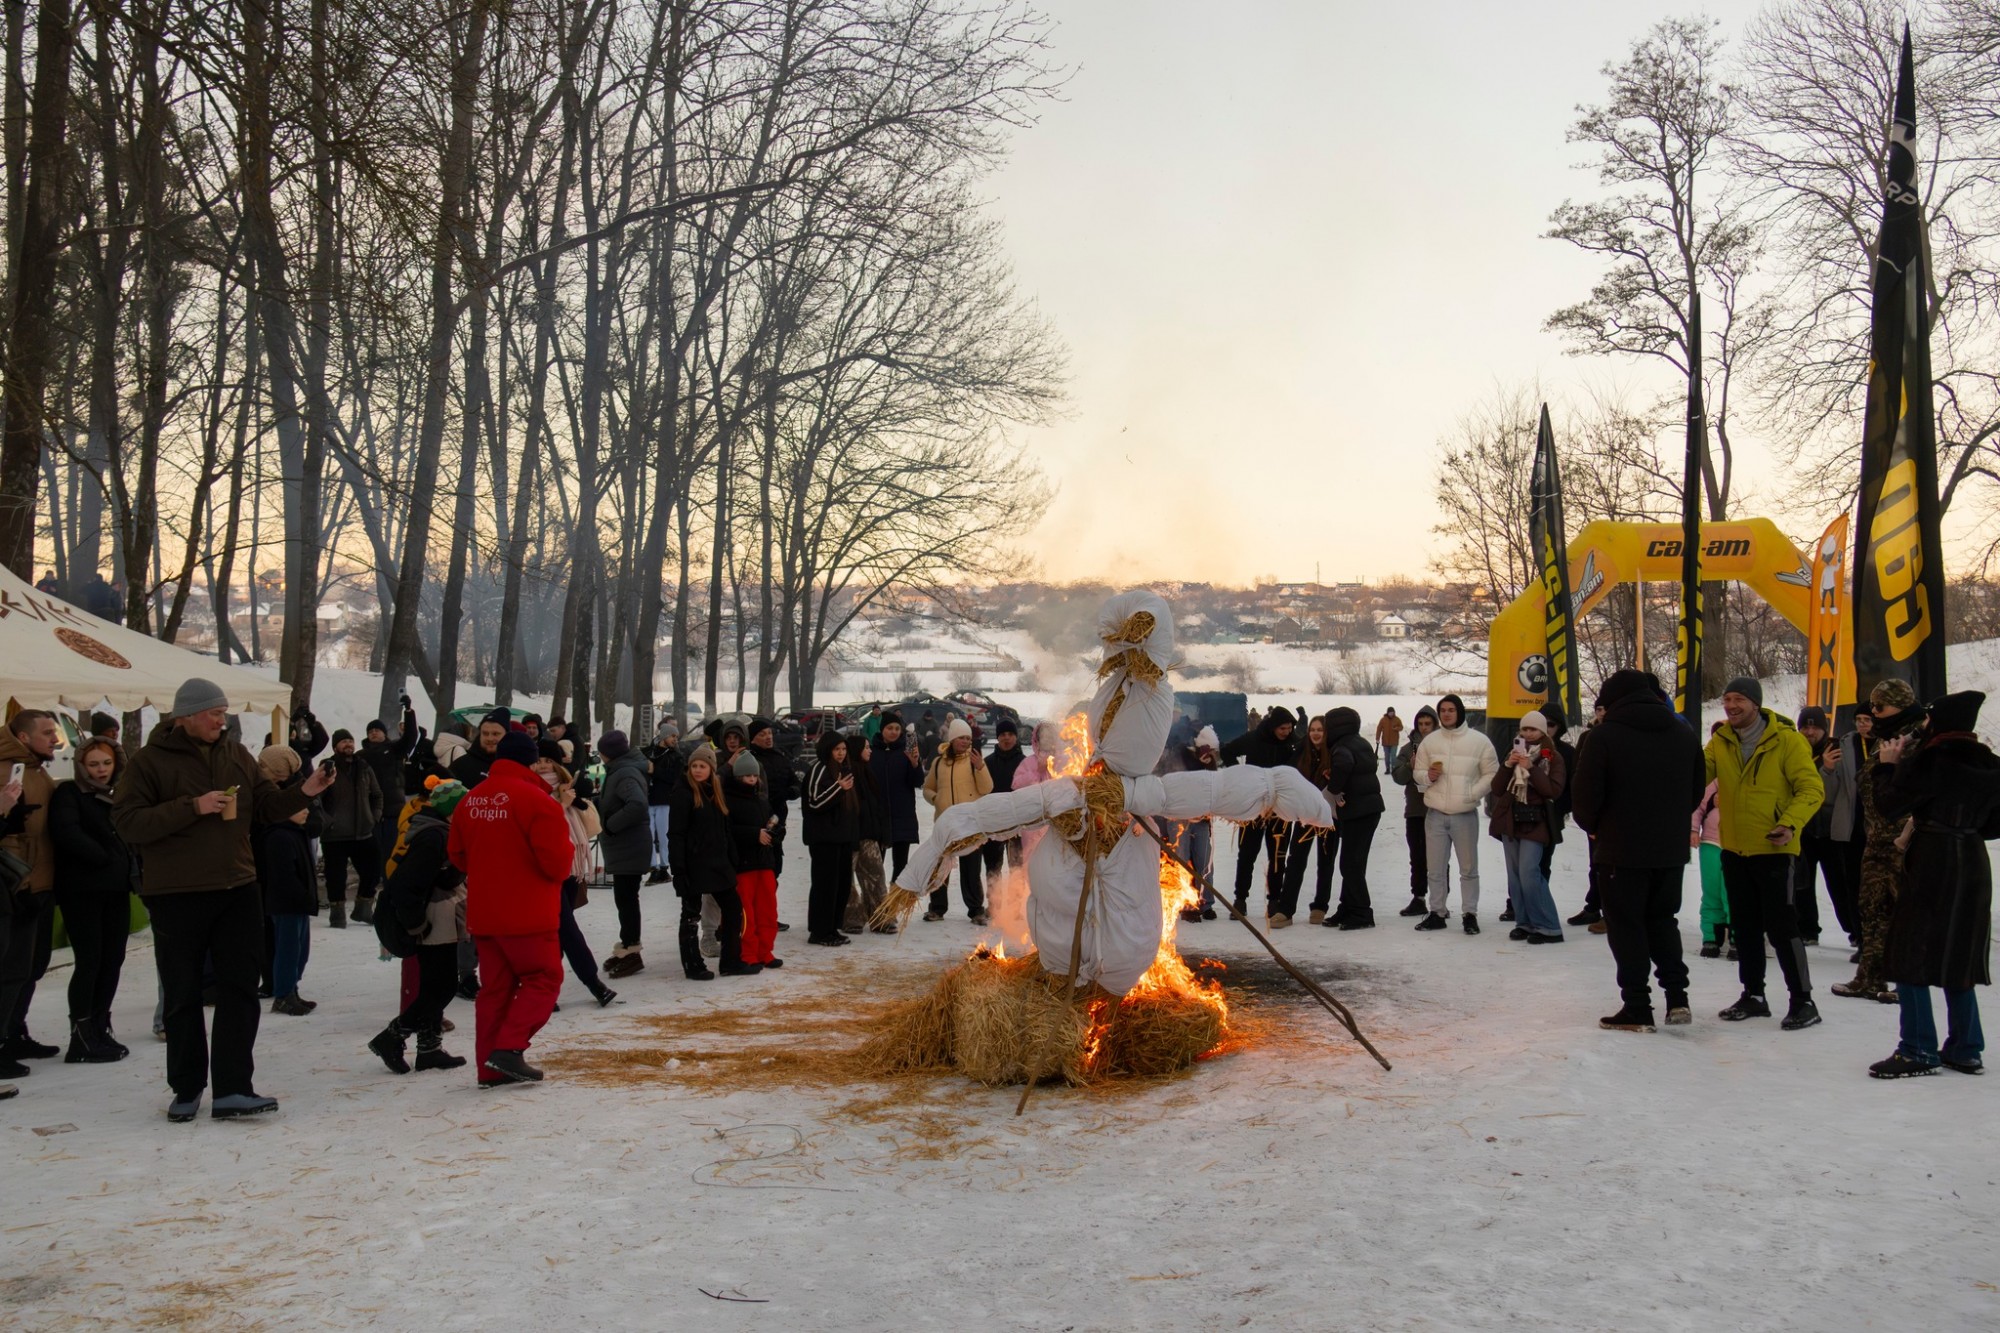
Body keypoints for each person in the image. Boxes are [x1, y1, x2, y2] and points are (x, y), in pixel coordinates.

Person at [112, 678, 331, 1120]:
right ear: (187, 715)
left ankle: (233, 1087)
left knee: (239, 989)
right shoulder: (148, 762)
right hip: (176, 892)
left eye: (223, 712)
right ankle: (187, 1088)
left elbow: (266, 806)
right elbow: (128, 823)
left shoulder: (236, 754)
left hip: (237, 887)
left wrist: (304, 792)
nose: (222, 719)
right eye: (214, 712)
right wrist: (193, 807)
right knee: (182, 993)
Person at [1866, 690, 1998, 1078]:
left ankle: (1917, 1048)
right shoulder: (1992, 764)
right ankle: (1965, 1047)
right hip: (1972, 859)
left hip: (1933, 859)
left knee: (1909, 951)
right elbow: (1995, 824)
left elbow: (1889, 805)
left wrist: (1888, 766)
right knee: (1959, 952)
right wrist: (1966, 825)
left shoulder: (1932, 759)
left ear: (1939, 721)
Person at [1571, 669, 1705, 1032]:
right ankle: (1677, 998)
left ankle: (1637, 1005)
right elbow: (1695, 791)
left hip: (1619, 850)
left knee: (1626, 926)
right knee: (1663, 921)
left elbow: (1583, 799)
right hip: (1669, 851)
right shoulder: (1683, 733)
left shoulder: (1604, 736)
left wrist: (1596, 828)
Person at [448, 729, 573, 1087]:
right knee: (543, 978)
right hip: (529, 912)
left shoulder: (471, 799)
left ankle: (489, 1067)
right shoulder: (537, 801)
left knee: (495, 989)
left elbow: (456, 854)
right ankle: (509, 1047)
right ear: (532, 760)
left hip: (486, 912)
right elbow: (557, 865)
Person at [1704, 677, 1825, 1030]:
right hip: (1734, 849)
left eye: (1738, 699)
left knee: (1782, 926)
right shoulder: (1721, 741)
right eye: (1726, 700)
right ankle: (1753, 995)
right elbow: (1698, 774)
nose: (1730, 706)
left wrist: (1789, 823)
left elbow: (1811, 789)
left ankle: (1804, 1000)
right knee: (1744, 926)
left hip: (1774, 848)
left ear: (1755, 703)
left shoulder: (1787, 741)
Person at [366, 779, 471, 1074]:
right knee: (442, 987)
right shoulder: (433, 836)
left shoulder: (433, 829)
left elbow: (438, 877)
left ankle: (429, 1048)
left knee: (434, 985)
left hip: (434, 914)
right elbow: (408, 884)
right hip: (431, 918)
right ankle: (392, 1036)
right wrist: (415, 924)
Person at [1833, 679, 1926, 1004]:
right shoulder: (1886, 736)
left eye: (1880, 707)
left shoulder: (1918, 738)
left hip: (1904, 841)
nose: (1873, 713)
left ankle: (1906, 983)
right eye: (1872, 706)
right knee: (1871, 907)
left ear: (1899, 705)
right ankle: (1870, 978)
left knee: (1904, 913)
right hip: (1876, 838)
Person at [49, 736, 138, 1060]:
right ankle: (82, 1034)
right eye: (93, 764)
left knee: (113, 959)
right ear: (81, 766)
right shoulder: (69, 793)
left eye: (106, 763)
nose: (100, 771)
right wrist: (103, 857)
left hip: (115, 888)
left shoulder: (119, 795)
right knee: (91, 960)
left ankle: (100, 1025)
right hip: (83, 890)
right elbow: (67, 832)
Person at [0, 709, 64, 1073]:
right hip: (15, 888)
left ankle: (14, 1031)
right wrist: (19, 886)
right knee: (10, 970)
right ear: (24, 738)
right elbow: (9, 836)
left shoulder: (35, 768)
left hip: (42, 882)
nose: (55, 739)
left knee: (31, 968)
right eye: (47, 732)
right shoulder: (6, 768)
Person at [530, 743, 617, 1008]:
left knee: (557, 930)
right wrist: (559, 804)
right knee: (567, 929)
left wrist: (573, 799)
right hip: (547, 869)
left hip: (571, 866)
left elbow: (587, 821)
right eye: (539, 760)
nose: (544, 765)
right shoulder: (532, 790)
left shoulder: (567, 787)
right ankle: (593, 983)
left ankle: (547, 990)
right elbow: (541, 827)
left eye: (548, 760)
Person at [1412, 693, 1498, 936]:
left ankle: (1470, 914)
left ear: (1459, 712)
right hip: (1436, 813)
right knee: (1435, 868)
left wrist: (1473, 793)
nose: (1447, 714)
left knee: (1468, 868)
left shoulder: (1479, 741)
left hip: (1464, 814)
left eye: (1451, 709)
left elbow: (1492, 773)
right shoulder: (1430, 742)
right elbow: (1417, 772)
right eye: (1443, 710)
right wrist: (1426, 777)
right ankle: (1437, 912)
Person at [667, 744, 749, 975]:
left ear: (711, 769)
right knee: (691, 914)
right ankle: (692, 965)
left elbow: (725, 828)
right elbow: (676, 835)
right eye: (694, 765)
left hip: (717, 864)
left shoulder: (714, 791)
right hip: (694, 864)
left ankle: (731, 961)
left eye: (702, 766)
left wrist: (731, 857)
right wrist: (679, 871)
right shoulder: (683, 793)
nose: (697, 770)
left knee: (733, 909)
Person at [251, 746, 320, 1017]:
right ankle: (283, 991)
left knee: (297, 946)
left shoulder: (292, 820)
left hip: (294, 895)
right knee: (287, 945)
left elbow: (317, 820)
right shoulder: (276, 832)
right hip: (283, 895)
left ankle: (288, 988)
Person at [1487, 711, 1566, 945]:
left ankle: (1548, 925)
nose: (1528, 733)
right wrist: (1507, 764)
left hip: (1536, 820)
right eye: (1525, 729)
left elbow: (1552, 791)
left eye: (1533, 729)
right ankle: (1524, 922)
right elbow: (1497, 788)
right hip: (1511, 819)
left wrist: (1532, 768)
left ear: (1543, 731)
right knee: (1514, 875)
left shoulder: (1552, 757)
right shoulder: (1515, 751)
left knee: (1530, 873)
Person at [1219, 707, 1301, 916]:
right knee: (1247, 854)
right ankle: (1240, 900)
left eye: (1290, 728)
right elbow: (1227, 751)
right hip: (1253, 807)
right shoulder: (1255, 738)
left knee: (1277, 855)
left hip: (1280, 809)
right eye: (1283, 728)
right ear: (1274, 727)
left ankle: (1274, 900)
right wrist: (1241, 775)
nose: (1286, 732)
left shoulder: (1294, 743)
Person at [920, 718, 993, 924]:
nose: (966, 741)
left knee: (971, 869)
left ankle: (976, 910)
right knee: (940, 868)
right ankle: (937, 908)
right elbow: (927, 788)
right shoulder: (938, 763)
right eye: (962, 737)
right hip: (945, 824)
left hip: (970, 824)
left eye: (968, 738)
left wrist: (980, 767)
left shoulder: (973, 761)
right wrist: (936, 799)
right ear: (952, 739)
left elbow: (987, 789)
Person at [595, 730, 653, 980]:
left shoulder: (625, 772)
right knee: (624, 899)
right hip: (625, 847)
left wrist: (610, 825)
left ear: (608, 753)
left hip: (629, 846)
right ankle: (626, 946)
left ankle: (632, 950)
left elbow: (637, 805)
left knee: (627, 900)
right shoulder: (621, 770)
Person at [1321, 707, 1385, 930]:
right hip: (1367, 809)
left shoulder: (1342, 746)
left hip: (1359, 810)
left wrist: (1334, 786)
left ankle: (1361, 912)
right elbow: (1362, 767)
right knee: (1353, 862)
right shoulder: (1360, 742)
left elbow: (1345, 764)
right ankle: (1347, 907)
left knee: (1351, 864)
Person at [1791, 706, 1847, 947]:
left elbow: (1830, 791)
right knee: (1801, 883)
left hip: (1830, 829)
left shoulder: (1836, 750)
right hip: (1803, 828)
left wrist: (1826, 768)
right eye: (1805, 726)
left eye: (1815, 727)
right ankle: (1807, 929)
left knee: (1840, 883)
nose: (1810, 731)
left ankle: (1853, 929)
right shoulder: (1794, 749)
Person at [1272, 714, 1334, 928]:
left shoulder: (1334, 753)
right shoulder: (1301, 752)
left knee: (1326, 862)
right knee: (1295, 861)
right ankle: (1285, 910)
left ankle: (1320, 906)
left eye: (1320, 730)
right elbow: (1288, 777)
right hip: (1305, 816)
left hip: (1328, 817)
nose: (1316, 733)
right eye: (1313, 730)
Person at [321, 729, 385, 927]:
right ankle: (337, 914)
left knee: (373, 869)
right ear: (335, 747)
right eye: (343, 742)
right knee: (335, 877)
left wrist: (373, 817)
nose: (348, 744)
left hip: (363, 831)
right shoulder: (327, 767)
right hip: (335, 834)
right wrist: (326, 821)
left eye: (350, 740)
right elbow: (316, 797)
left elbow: (377, 795)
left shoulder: (364, 766)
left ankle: (363, 909)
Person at [724, 751, 782, 969]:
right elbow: (727, 831)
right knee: (746, 912)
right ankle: (748, 953)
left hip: (764, 862)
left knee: (768, 909)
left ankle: (765, 950)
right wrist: (753, 834)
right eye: (747, 775)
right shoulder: (729, 801)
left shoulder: (761, 800)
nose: (751, 779)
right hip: (743, 865)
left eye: (754, 775)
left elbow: (772, 824)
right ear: (738, 776)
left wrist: (777, 833)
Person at [804, 733, 863, 944]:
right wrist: (839, 788)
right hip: (824, 839)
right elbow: (814, 803)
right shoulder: (819, 769)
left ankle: (832, 928)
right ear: (828, 750)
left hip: (842, 838)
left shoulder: (843, 770)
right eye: (837, 749)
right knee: (825, 886)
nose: (841, 753)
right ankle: (819, 931)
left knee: (841, 885)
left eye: (844, 749)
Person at [1389, 706, 1438, 919]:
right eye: (1421, 724)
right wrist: (1409, 766)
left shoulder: (1444, 747)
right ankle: (1418, 897)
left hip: (1438, 808)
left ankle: (1439, 899)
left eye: (1428, 724)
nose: (1424, 728)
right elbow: (1397, 776)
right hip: (1416, 810)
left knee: (1438, 857)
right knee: (1417, 856)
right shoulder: (1408, 749)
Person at [361, 696, 423, 861]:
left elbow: (410, 736)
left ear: (384, 733)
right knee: (373, 855)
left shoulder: (394, 749)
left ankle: (390, 883)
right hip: (369, 811)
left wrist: (408, 711)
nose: (374, 732)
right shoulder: (360, 756)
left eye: (377, 730)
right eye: (370, 731)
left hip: (392, 809)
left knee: (392, 853)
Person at [1172, 726, 1221, 919]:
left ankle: (1205, 902)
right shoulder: (1181, 754)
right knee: (1181, 859)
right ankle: (1185, 903)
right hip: (1179, 816)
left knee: (1204, 861)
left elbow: (1213, 788)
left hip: (1201, 818)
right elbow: (1179, 778)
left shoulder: (1210, 763)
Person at [870, 711, 925, 882]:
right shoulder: (872, 753)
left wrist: (915, 763)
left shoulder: (907, 751)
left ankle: (894, 903)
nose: (894, 732)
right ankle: (878, 902)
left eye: (897, 728)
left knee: (900, 865)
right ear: (882, 730)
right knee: (876, 865)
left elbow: (917, 782)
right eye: (889, 728)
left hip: (902, 815)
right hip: (878, 816)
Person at [846, 734, 893, 934]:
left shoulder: (868, 773)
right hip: (850, 836)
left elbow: (876, 807)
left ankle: (881, 918)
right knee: (847, 881)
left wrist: (881, 834)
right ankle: (852, 919)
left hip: (869, 836)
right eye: (866, 747)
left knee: (876, 876)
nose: (870, 750)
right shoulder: (848, 774)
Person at [1693, 764, 1731, 959]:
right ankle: (1711, 936)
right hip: (1711, 844)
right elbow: (1698, 807)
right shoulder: (1715, 784)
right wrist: (1693, 830)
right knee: (1712, 891)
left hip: (1738, 846)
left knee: (1734, 894)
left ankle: (1737, 937)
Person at [642, 721, 683, 885]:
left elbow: (674, 777)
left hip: (665, 801)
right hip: (647, 799)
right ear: (664, 736)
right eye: (673, 736)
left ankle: (664, 867)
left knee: (664, 836)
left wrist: (654, 771)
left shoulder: (676, 756)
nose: (675, 739)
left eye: (676, 737)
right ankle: (654, 868)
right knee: (648, 836)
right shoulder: (647, 752)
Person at [984, 720, 1029, 871]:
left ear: (1016, 737)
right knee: (993, 869)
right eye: (1003, 734)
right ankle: (994, 896)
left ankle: (1017, 896)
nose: (1007, 738)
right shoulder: (987, 763)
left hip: (1017, 824)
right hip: (994, 823)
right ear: (998, 737)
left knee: (1017, 869)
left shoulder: (1025, 763)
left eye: (1010, 734)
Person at [450, 709, 511, 788]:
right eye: (485, 733)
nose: (490, 738)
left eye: (495, 734)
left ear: (507, 735)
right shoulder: (460, 766)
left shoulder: (516, 766)